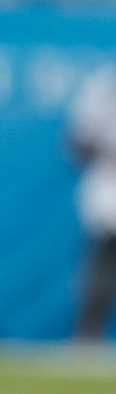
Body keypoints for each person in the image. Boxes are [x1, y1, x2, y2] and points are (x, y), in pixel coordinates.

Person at [69, 63, 116, 341]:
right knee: (100, 276)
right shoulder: (101, 88)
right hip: (107, 196)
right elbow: (76, 144)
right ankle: (88, 338)